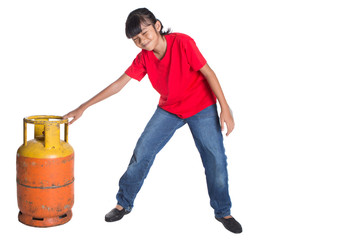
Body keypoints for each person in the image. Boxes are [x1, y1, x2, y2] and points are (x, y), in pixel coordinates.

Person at [63, 8, 242, 234]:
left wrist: (225, 108)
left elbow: (208, 72)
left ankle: (223, 211)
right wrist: (83, 107)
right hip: (170, 109)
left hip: (201, 106)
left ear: (157, 26)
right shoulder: (144, 58)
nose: (143, 41)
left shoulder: (183, 42)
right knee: (142, 151)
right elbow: (118, 84)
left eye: (145, 34)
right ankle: (123, 203)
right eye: (136, 39)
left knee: (214, 158)